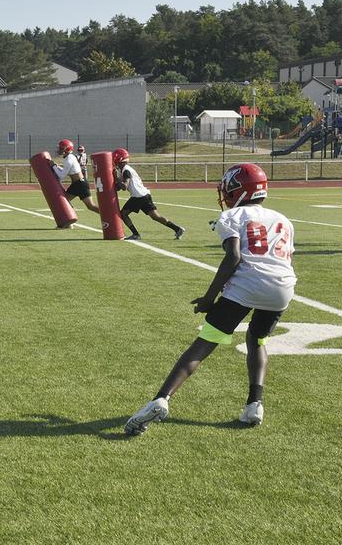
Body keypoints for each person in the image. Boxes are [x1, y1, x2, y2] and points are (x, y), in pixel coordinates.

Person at [125, 163, 295, 435]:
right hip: (284, 287)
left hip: (248, 285)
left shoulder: (233, 216)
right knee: (257, 339)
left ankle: (161, 398)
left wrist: (209, 298)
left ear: (238, 190)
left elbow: (235, 256)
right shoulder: (283, 219)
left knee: (205, 343)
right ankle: (254, 404)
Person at [112, 147, 185, 240]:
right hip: (145, 195)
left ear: (120, 159)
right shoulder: (126, 169)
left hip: (138, 196)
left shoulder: (126, 170)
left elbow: (124, 186)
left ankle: (136, 234)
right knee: (155, 216)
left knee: (123, 214)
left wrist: (116, 177)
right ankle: (178, 229)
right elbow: (120, 187)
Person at [52, 139, 100, 215]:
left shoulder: (69, 159)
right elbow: (67, 172)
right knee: (64, 201)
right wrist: (57, 166)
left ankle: (108, 216)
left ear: (66, 149)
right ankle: (70, 220)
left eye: (61, 148)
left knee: (91, 206)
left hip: (80, 184)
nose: (59, 150)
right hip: (76, 184)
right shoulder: (68, 157)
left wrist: (54, 166)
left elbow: (62, 175)